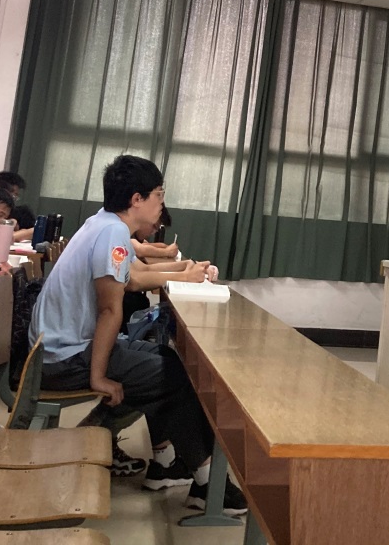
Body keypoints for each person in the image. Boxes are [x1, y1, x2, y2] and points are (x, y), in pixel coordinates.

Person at [30, 154, 246, 514]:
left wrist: (185, 273)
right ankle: (208, 483)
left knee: (167, 360)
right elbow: (110, 309)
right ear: (137, 199)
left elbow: (132, 277)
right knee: (174, 376)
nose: (161, 205)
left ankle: (171, 465)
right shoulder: (113, 232)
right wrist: (99, 377)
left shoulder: (102, 223)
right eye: (159, 196)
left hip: (60, 348)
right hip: (63, 357)